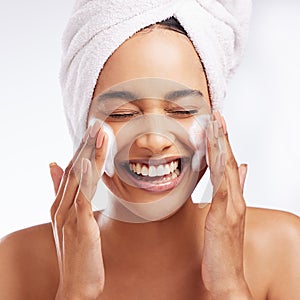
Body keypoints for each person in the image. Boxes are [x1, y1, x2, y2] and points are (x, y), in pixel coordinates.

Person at [0, 1, 299, 299]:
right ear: (81, 127)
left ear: (216, 121)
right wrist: (75, 291)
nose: (155, 141)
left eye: (181, 111)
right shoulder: (17, 263)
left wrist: (229, 286)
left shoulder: (283, 248)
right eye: (122, 114)